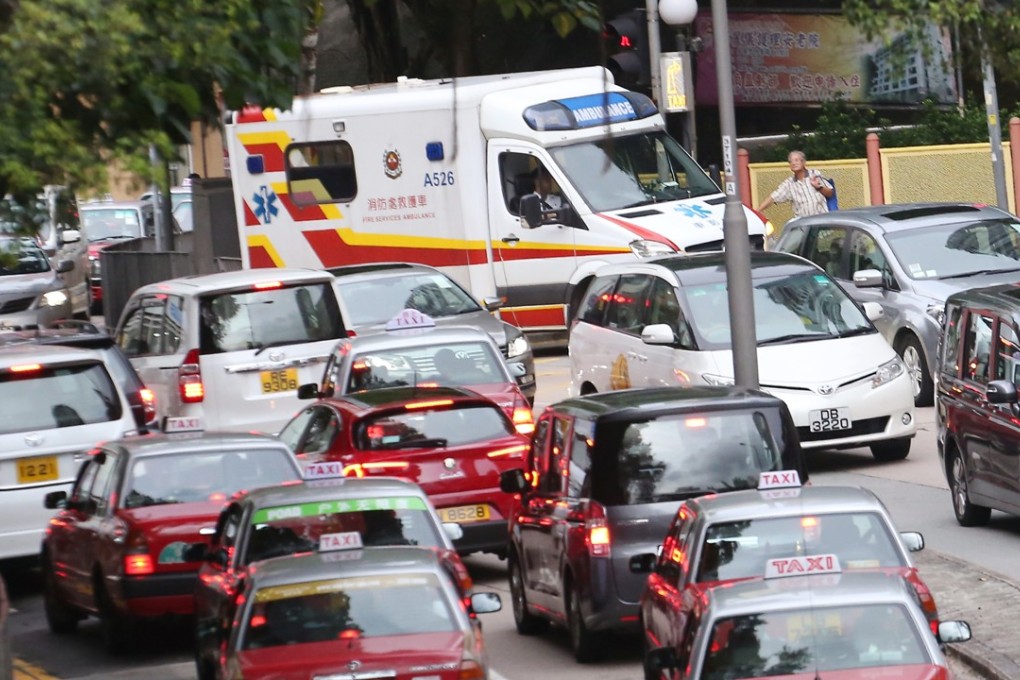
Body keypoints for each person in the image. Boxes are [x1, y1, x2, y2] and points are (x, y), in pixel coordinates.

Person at [756, 150, 833, 218]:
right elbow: (773, 197)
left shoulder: (814, 174)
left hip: (821, 223)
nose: (793, 163)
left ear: (803, 162)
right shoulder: (789, 184)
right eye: (791, 161)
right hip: (804, 226)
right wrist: (757, 211)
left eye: (796, 160)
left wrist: (819, 187)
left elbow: (830, 193)